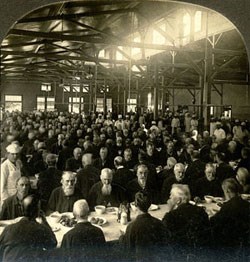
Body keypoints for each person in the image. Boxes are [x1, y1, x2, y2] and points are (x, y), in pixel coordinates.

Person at [0, 194, 57, 262]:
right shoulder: (40, 229)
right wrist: (44, 221)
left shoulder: (8, 229)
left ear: (22, 209)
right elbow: (53, 244)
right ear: (38, 211)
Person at [162, 184, 211, 259]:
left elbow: (165, 237)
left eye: (171, 195)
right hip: (201, 254)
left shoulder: (171, 216)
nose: (169, 197)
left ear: (178, 200)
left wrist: (170, 210)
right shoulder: (201, 211)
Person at [119, 191, 168, 261]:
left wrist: (122, 237)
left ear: (135, 204)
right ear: (149, 204)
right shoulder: (159, 223)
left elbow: (128, 250)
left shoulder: (132, 226)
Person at [210, 178, 250, 259]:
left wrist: (212, 215)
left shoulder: (227, 207)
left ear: (227, 191)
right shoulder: (246, 204)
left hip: (230, 246)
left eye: (224, 191)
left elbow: (214, 223)